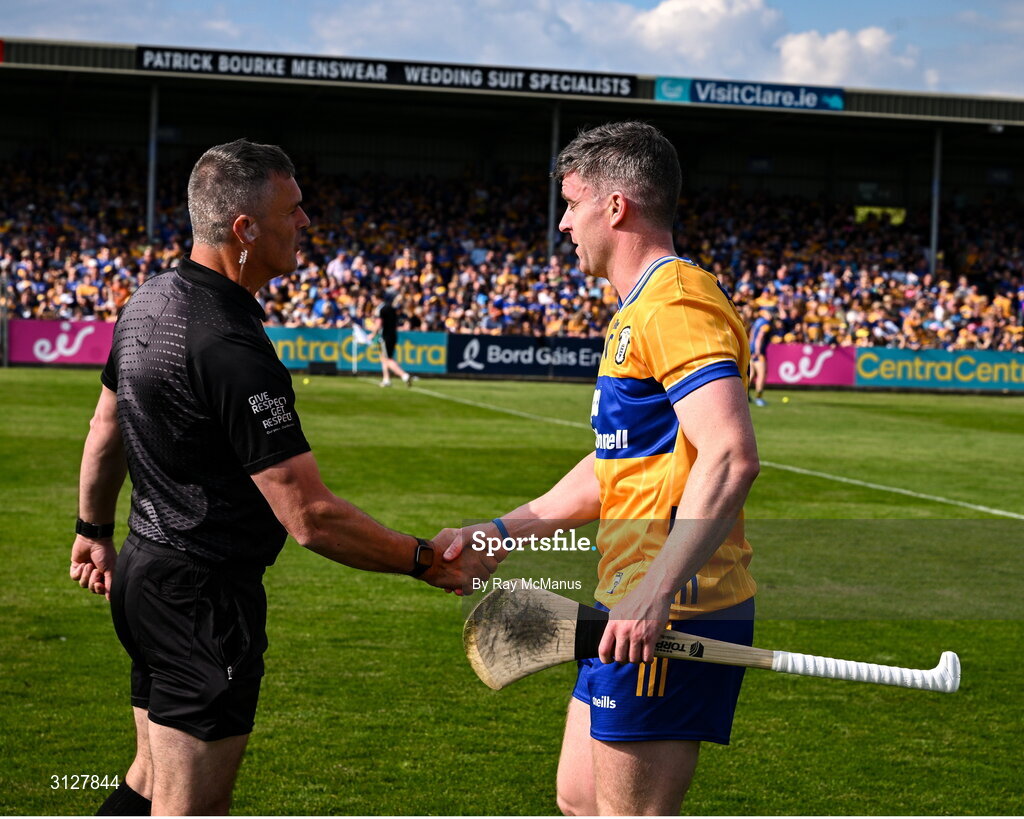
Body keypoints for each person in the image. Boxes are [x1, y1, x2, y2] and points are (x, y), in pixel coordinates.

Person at [68, 139, 492, 816]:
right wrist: (422, 560)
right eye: (293, 211)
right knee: (189, 804)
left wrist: (92, 526)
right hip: (204, 600)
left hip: (147, 575)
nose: (306, 224)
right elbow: (310, 517)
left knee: (147, 779)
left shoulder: (146, 301)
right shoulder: (230, 345)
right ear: (245, 229)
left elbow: (103, 428)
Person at [442, 121, 760, 815]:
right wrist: (503, 531)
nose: (563, 223)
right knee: (580, 797)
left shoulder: (674, 300)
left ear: (615, 207)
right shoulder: (634, 312)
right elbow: (615, 463)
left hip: (673, 606)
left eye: (571, 202)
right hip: (627, 602)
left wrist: (655, 591)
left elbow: (731, 453)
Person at [374, 291, 415, 387]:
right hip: (393, 335)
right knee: (383, 358)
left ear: (378, 299)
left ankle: (404, 375)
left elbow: (378, 324)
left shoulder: (381, 309)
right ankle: (386, 379)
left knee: (387, 359)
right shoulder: (391, 309)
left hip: (385, 336)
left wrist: (372, 334)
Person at [749, 304, 773, 406]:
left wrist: (751, 349)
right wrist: (757, 351)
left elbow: (751, 334)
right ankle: (759, 398)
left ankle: (744, 395)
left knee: (751, 375)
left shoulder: (757, 321)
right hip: (758, 353)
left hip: (751, 350)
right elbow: (760, 337)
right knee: (761, 375)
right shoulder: (766, 324)